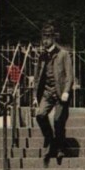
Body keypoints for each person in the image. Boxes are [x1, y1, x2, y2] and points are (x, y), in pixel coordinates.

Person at [33, 24, 74, 162]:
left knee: (58, 120)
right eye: (43, 37)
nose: (45, 41)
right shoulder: (42, 56)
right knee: (40, 115)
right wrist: (35, 96)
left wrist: (66, 91)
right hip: (47, 93)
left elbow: (69, 75)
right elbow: (37, 77)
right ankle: (49, 139)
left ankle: (60, 147)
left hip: (61, 93)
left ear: (53, 38)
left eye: (47, 37)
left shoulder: (63, 54)